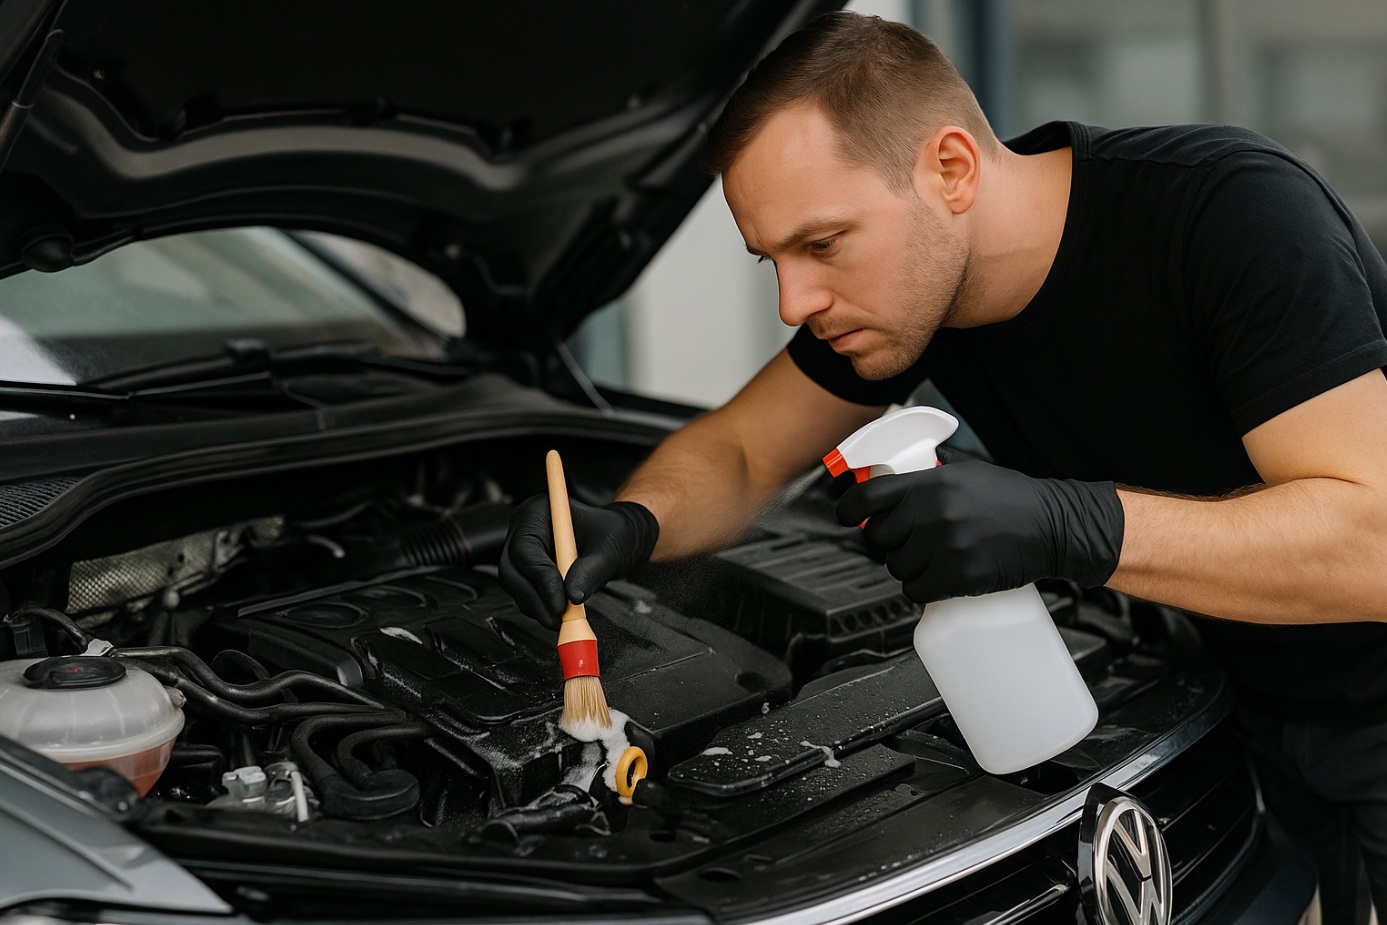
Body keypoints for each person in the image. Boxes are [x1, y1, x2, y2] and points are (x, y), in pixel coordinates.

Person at [500, 11, 1387, 923]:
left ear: (950, 168)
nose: (793, 300)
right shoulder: (904, 293)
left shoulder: (1228, 214)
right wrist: (634, 520)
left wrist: (1064, 525)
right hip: (1251, 703)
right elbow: (739, 448)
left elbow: (1373, 547)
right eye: (770, 258)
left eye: (822, 243)